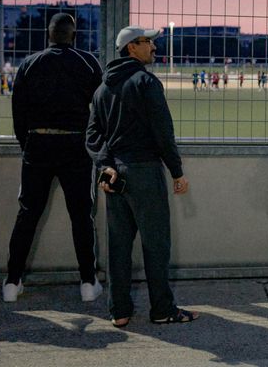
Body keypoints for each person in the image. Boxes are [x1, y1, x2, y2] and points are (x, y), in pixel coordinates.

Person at [86, 25, 198, 328]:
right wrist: (177, 171)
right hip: (144, 171)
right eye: (148, 42)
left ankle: (118, 310)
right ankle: (162, 309)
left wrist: (105, 164)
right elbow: (163, 131)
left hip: (114, 174)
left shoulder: (102, 88)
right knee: (156, 243)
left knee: (119, 246)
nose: (154, 47)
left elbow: (93, 134)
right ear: (131, 48)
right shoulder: (145, 82)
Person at [3, 13, 103, 303]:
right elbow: (99, 108)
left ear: (48, 35)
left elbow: (18, 111)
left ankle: (12, 281)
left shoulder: (30, 64)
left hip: (39, 143)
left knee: (27, 214)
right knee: (82, 215)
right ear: (74, 35)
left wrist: (28, 142)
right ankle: (87, 281)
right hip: (75, 145)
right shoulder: (87, 62)